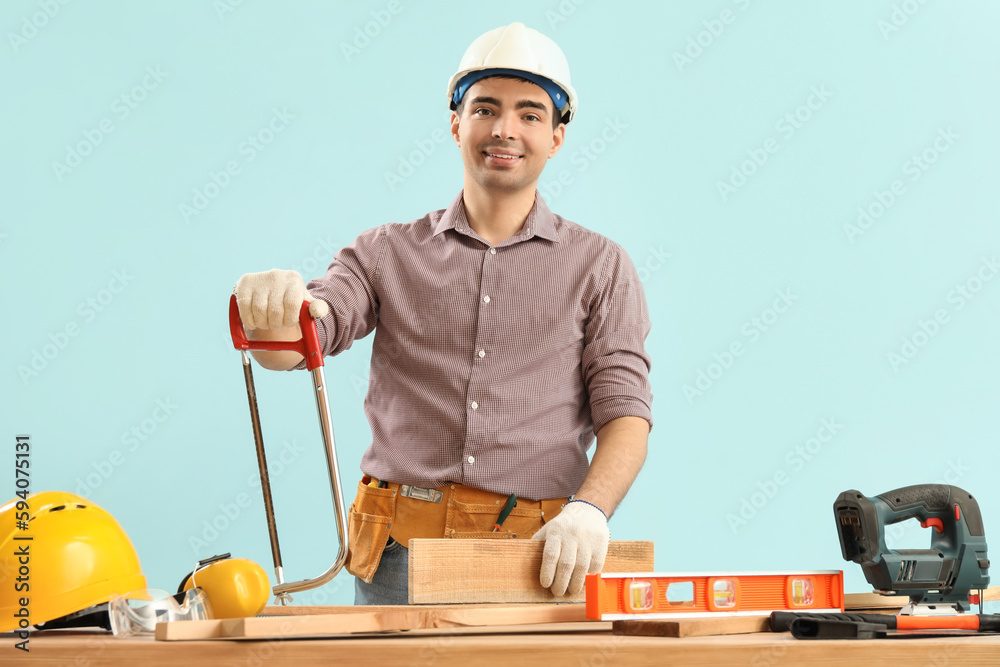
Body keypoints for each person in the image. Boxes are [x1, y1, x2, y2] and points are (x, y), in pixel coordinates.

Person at [234, 22, 652, 605]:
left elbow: (625, 415)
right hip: (399, 560)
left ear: (556, 137)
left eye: (531, 114)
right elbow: (304, 337)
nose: (505, 129)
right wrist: (274, 309)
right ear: (456, 123)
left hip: (539, 562)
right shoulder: (383, 252)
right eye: (486, 108)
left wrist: (590, 509)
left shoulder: (601, 266)